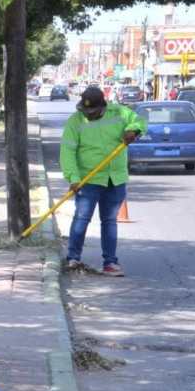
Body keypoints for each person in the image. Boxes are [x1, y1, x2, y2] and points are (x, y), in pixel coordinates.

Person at [60, 86, 145, 277]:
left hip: (115, 178)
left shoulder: (120, 112)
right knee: (81, 218)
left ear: (103, 106)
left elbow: (139, 120)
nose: (88, 115)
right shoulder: (75, 121)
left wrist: (133, 130)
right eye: (85, 111)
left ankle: (110, 263)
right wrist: (73, 178)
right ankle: (73, 258)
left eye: (93, 112)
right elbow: (67, 152)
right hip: (87, 179)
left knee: (109, 221)